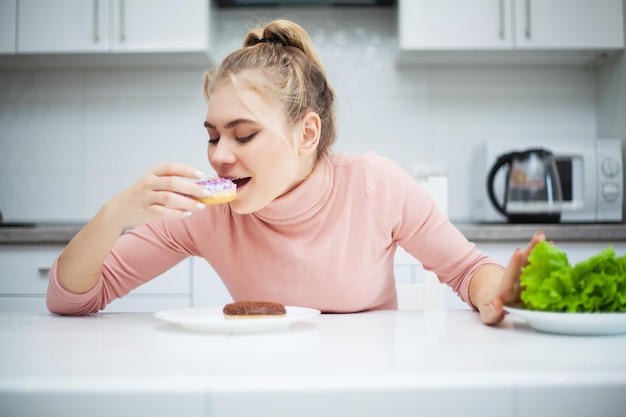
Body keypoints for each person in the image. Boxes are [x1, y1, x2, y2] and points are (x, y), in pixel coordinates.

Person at [46, 19, 544, 325]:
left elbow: (468, 271)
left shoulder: (375, 185)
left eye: (244, 135)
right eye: (213, 135)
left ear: (307, 134)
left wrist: (498, 294)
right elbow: (72, 299)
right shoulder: (207, 210)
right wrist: (113, 216)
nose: (219, 156)